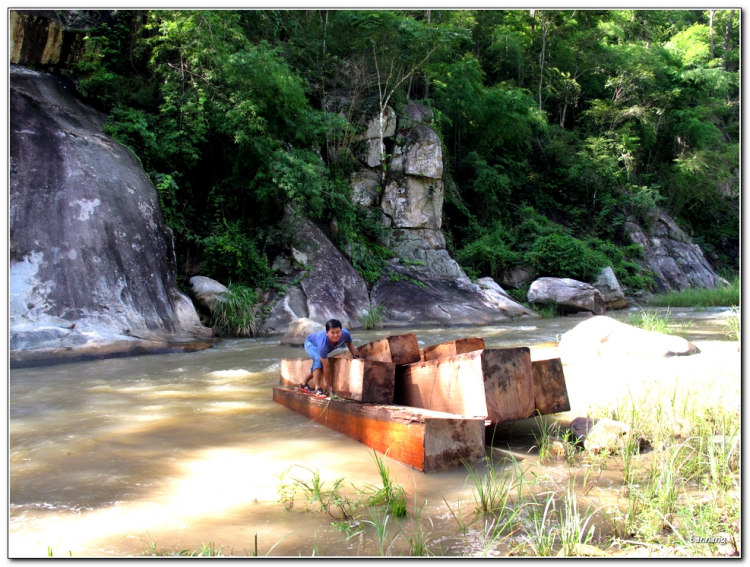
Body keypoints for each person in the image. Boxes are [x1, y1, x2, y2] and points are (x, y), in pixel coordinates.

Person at [300, 319, 358, 396]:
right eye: (332, 333)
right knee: (318, 360)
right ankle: (318, 389)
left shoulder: (345, 334)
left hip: (319, 342)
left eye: (338, 332)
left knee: (318, 364)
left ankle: (303, 384)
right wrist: (329, 386)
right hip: (311, 343)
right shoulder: (322, 345)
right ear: (327, 333)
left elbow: (349, 343)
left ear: (341, 330)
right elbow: (326, 367)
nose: (335, 335)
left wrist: (356, 356)